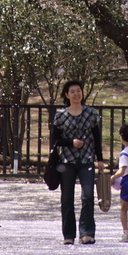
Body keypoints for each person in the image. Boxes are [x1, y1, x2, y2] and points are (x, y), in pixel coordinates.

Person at [50, 79, 104, 245]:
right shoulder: (60, 116)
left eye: (78, 91)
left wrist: (100, 159)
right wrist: (71, 142)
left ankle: (87, 232)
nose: (76, 94)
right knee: (67, 199)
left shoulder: (91, 114)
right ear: (67, 95)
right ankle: (69, 235)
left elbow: (97, 137)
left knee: (87, 197)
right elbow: (55, 140)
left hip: (87, 160)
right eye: (72, 91)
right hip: (66, 162)